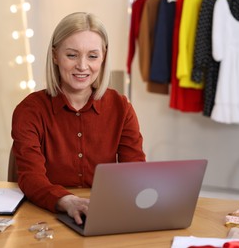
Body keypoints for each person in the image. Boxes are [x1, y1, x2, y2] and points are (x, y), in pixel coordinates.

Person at [11, 12, 146, 225]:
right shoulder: (30, 110)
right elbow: (30, 176)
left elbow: (134, 172)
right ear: (55, 55)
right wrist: (67, 201)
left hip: (104, 213)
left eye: (92, 56)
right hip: (45, 216)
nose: (82, 66)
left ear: (103, 57)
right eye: (72, 55)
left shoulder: (121, 107)